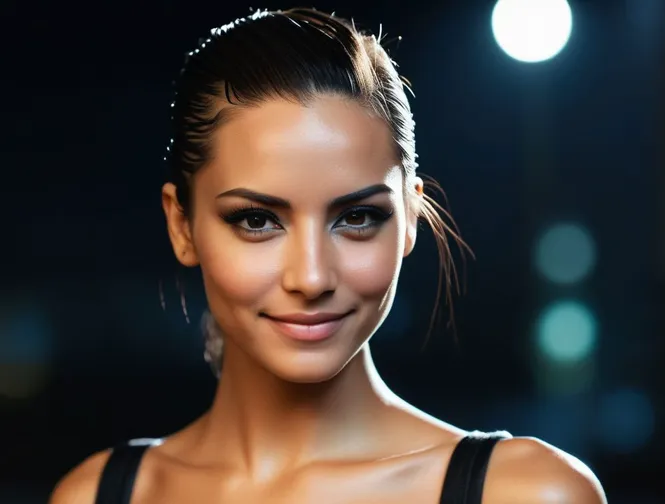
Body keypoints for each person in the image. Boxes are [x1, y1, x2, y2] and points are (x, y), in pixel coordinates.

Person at [50, 8, 607, 504]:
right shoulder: (98, 495)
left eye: (357, 218)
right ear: (182, 225)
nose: (312, 277)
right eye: (256, 220)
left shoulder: (526, 493)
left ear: (410, 217)